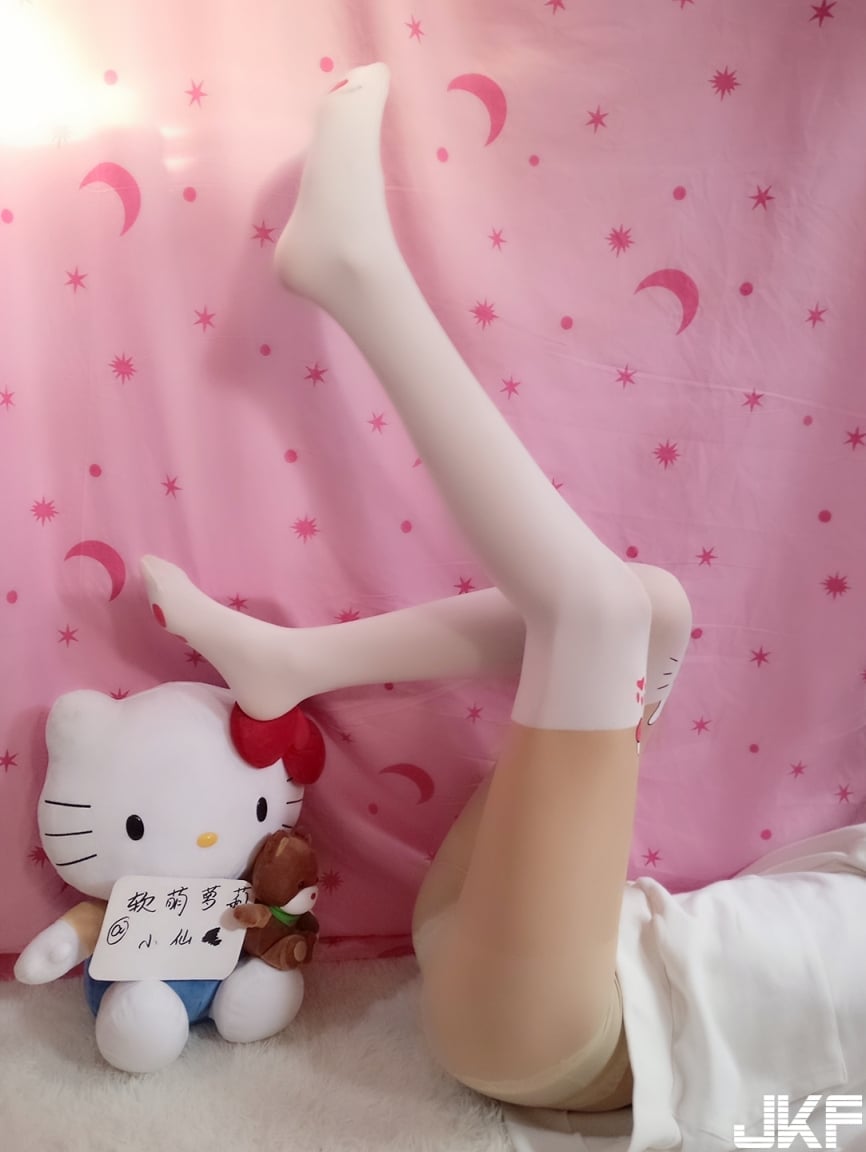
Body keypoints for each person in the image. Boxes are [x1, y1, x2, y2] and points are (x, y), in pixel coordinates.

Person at [141, 65, 866, 1150]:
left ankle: (357, 277)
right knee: (649, 608)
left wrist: (751, 1124)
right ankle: (291, 664)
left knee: (596, 615)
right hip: (521, 938)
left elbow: (811, 1115)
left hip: (559, 1036)